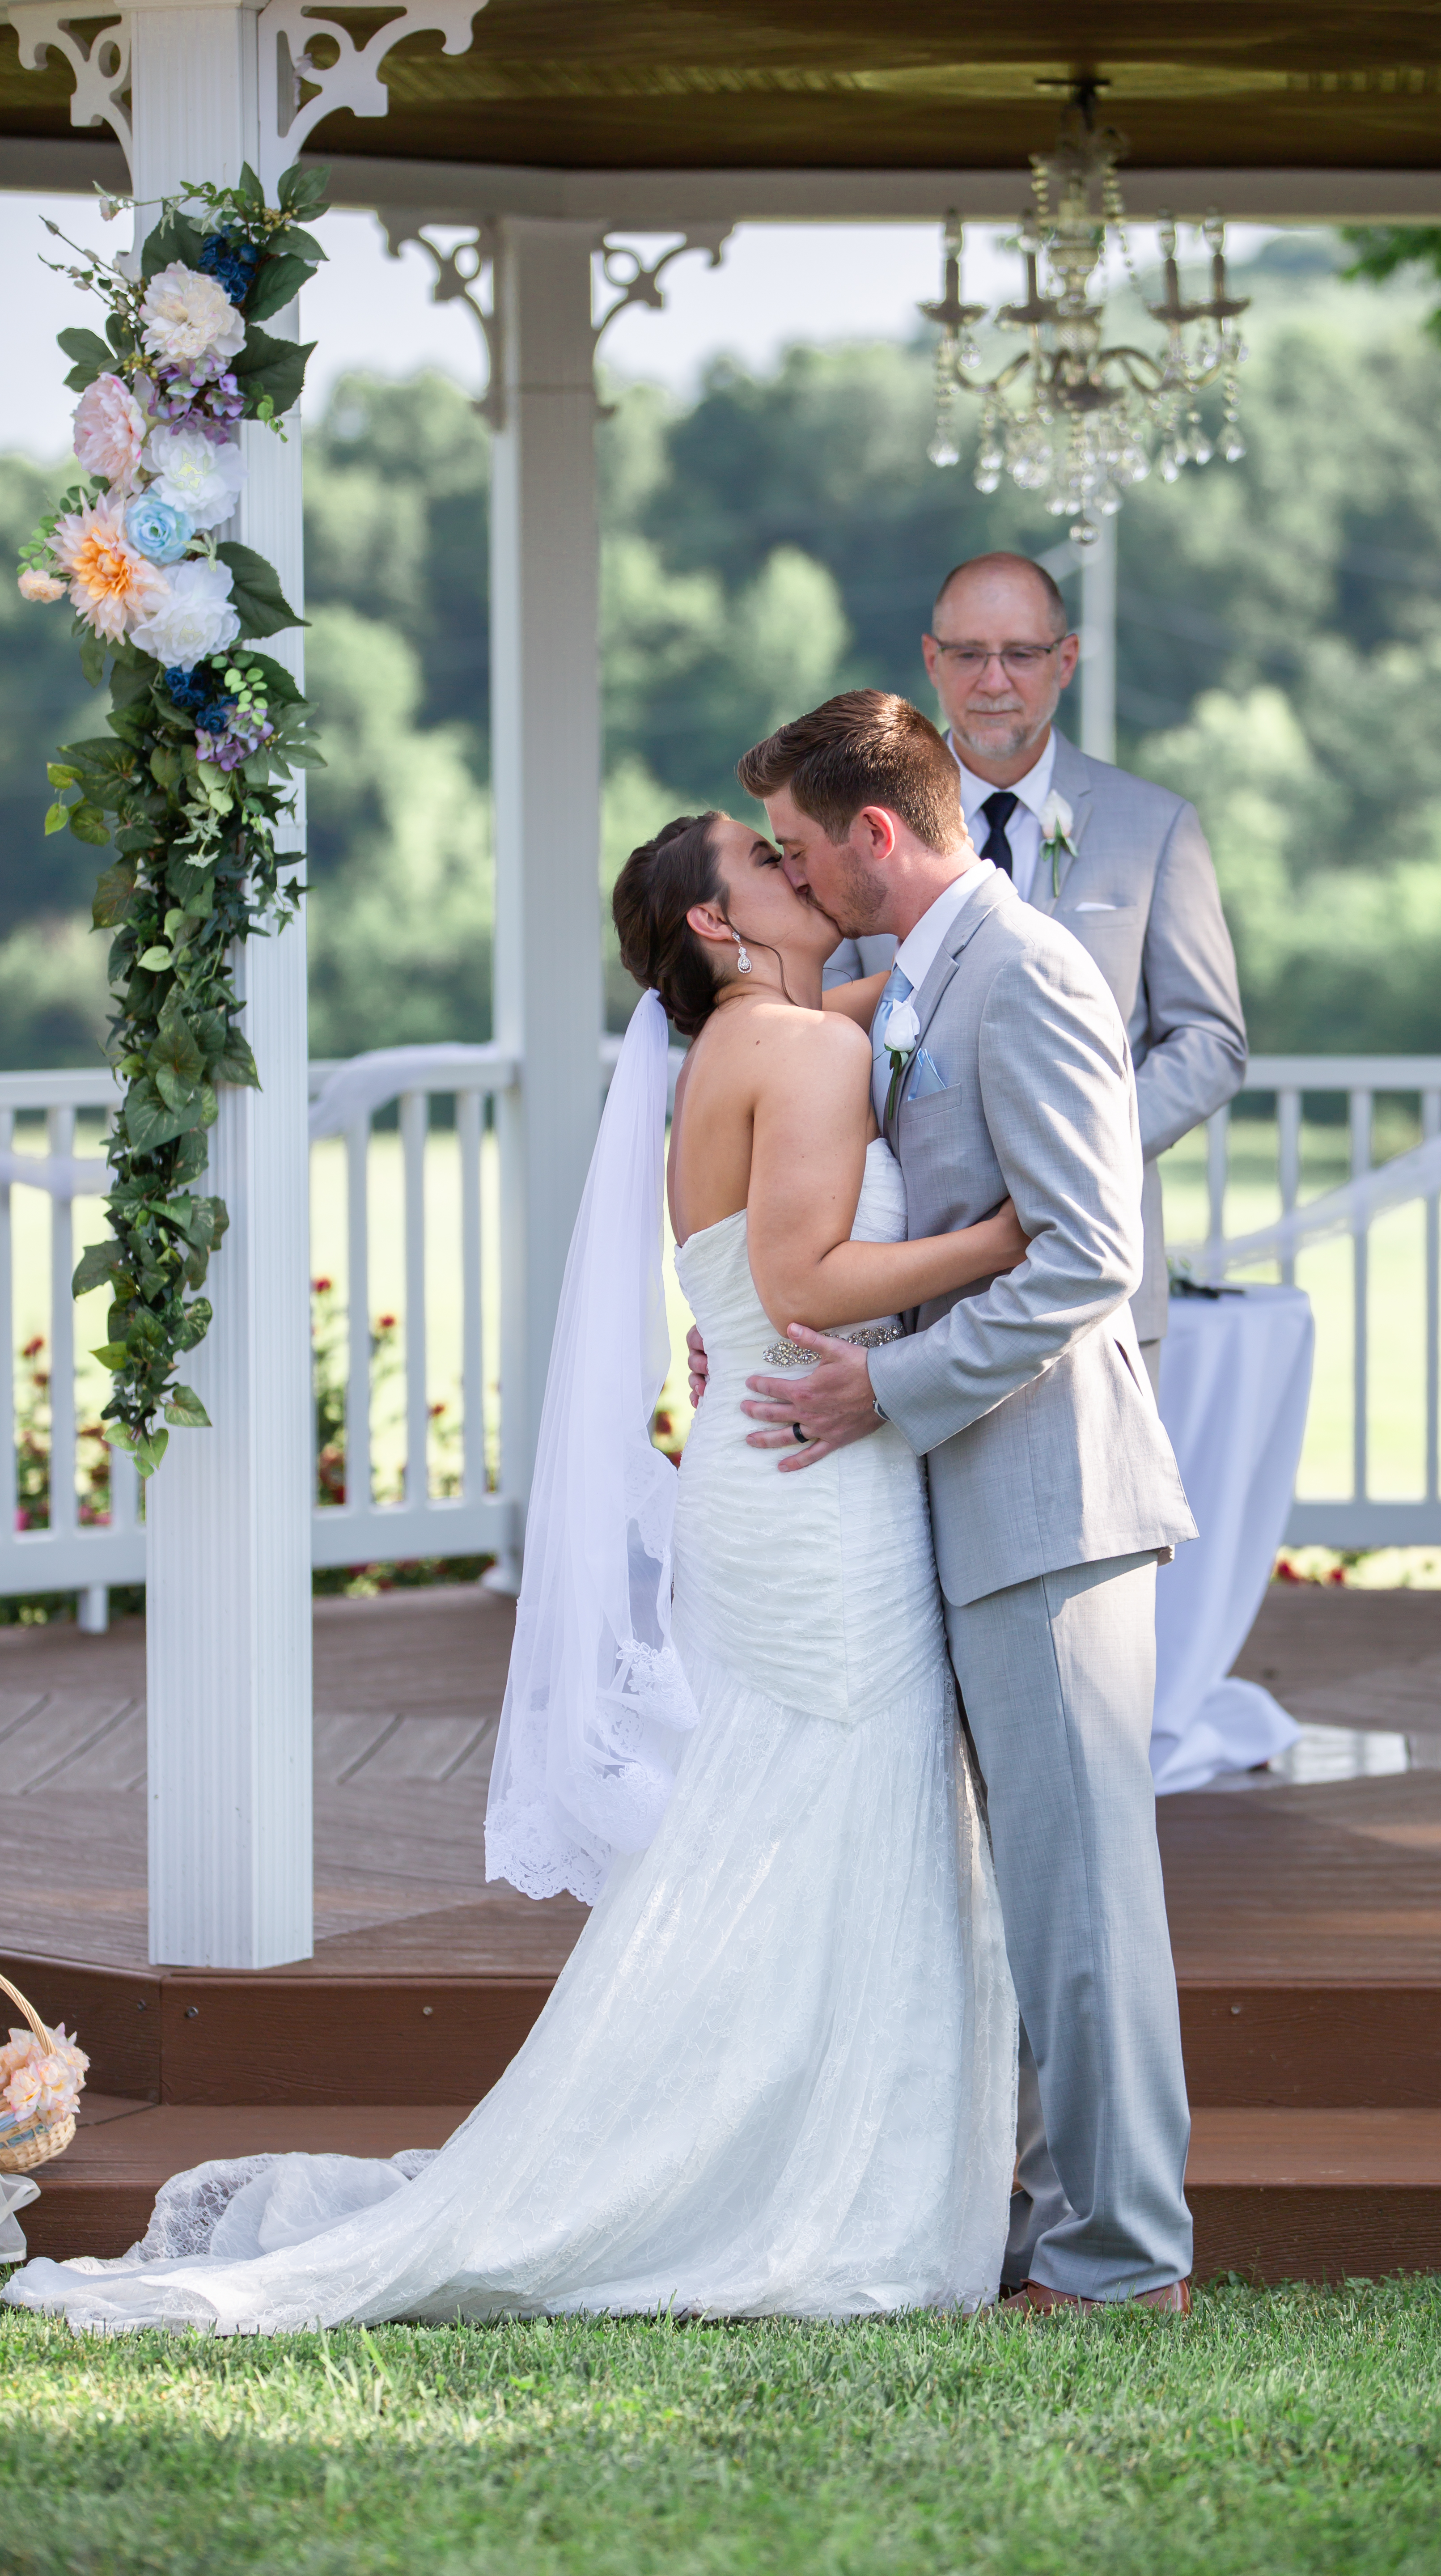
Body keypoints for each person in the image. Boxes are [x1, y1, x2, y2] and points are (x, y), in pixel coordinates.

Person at [2, 809, 1023, 2334]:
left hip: (776, 1470)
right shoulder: (794, 1051)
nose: (800, 872)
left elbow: (901, 1012)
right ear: (716, 927)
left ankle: (783, 2150)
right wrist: (1011, 1237)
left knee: (814, 1815)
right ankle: (792, 2178)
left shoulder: (763, 1038)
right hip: (817, 1481)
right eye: (767, 863)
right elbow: (807, 1280)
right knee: (840, 1811)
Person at [733, 690, 1200, 2313]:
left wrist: (888, 1385)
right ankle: (1056, 2225)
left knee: (1087, 1907)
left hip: (1052, 1497)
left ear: (874, 834)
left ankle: (1127, 2261)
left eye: (800, 850)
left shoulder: (1032, 970)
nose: (794, 879)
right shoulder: (926, 977)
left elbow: (1088, 1255)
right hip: (978, 1496)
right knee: (1034, 1907)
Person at [825, 549, 1246, 1386]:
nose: (994, 680)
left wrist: (1084, 1148)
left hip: (1095, 1266)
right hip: (904, 1261)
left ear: (1066, 660)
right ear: (931, 661)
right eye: (970, 654)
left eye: (1020, 654)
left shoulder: (1152, 826)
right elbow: (821, 1012)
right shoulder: (860, 826)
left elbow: (1209, 1041)